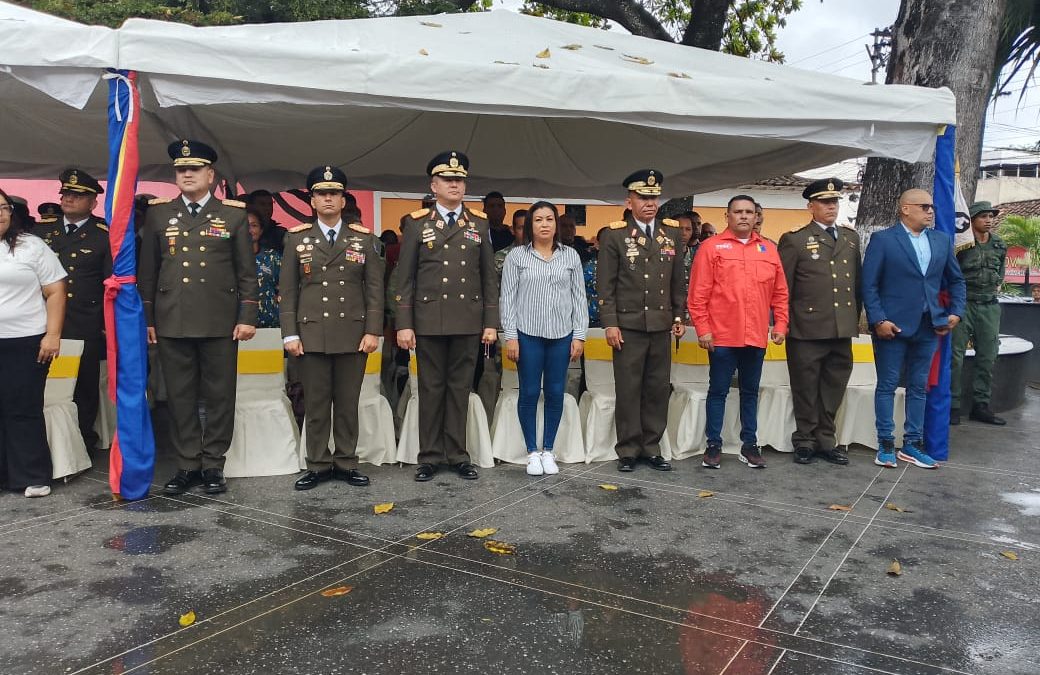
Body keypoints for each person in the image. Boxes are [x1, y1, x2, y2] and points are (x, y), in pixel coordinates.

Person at [139, 139, 259, 495]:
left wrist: (247, 315)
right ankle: (187, 462)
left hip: (219, 319)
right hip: (172, 318)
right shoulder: (159, 214)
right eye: (180, 169)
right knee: (179, 395)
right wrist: (147, 319)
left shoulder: (233, 215)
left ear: (211, 174)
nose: (187, 174)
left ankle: (213, 464)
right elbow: (148, 272)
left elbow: (246, 273)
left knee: (220, 394)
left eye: (194, 169)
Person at [395, 151, 498, 482]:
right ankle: (429, 455)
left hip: (468, 319)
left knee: (459, 388)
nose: (455, 184)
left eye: (460, 179)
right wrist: (404, 323)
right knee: (430, 388)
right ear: (434, 185)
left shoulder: (479, 223)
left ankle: (457, 454)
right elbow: (405, 277)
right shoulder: (416, 224)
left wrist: (490, 323)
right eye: (448, 179)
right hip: (428, 320)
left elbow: (487, 278)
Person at [281, 166, 384, 491]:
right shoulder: (297, 238)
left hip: (353, 334)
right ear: (312, 200)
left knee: (347, 402)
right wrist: (290, 333)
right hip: (310, 334)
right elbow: (289, 290)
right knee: (315, 404)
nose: (328, 198)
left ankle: (346, 461)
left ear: (342, 200)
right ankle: (317, 463)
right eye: (321, 193)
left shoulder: (363, 238)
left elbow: (374, 290)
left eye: (334, 193)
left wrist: (373, 330)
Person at [862, 189, 966, 469]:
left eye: (931, 207)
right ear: (905, 209)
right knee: (887, 385)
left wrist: (956, 311)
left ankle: (912, 444)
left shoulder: (941, 241)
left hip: (929, 325)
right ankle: (885, 444)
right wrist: (878, 320)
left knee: (919, 387)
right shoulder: (883, 240)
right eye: (924, 206)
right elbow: (869, 285)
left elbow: (956, 281)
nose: (931, 211)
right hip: (891, 327)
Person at [689, 195, 788, 470]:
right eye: (738, 212)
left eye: (749, 212)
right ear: (727, 216)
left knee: (750, 391)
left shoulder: (769, 249)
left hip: (755, 334)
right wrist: (703, 329)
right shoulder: (711, 248)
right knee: (718, 390)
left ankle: (749, 444)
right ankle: (713, 444)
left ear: (756, 216)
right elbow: (698, 294)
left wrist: (780, 324)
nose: (743, 216)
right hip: (721, 335)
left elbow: (780, 293)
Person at [596, 170, 686, 472]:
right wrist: (610, 323)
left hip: (660, 324)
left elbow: (677, 280)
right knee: (629, 388)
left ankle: (651, 446)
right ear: (629, 200)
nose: (649, 203)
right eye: (643, 198)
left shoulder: (670, 233)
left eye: (653, 197)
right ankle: (629, 448)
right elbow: (605, 286)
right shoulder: (614, 234)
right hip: (628, 325)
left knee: (657, 388)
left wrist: (678, 315)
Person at [500, 201, 588, 475]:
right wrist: (511, 337)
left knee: (554, 393)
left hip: (561, 336)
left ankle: (548, 449)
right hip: (528, 335)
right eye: (538, 220)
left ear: (556, 224)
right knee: (527, 393)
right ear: (530, 225)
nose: (545, 224)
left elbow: (579, 299)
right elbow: (508, 300)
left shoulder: (570, 256)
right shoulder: (517, 257)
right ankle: (531, 452)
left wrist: (580, 336)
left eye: (549, 219)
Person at [777, 178, 861, 465]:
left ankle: (827, 439)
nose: (831, 207)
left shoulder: (850, 238)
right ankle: (804, 439)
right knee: (805, 386)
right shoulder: (795, 239)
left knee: (834, 385)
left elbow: (856, 284)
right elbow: (783, 288)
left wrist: (854, 320)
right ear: (810, 206)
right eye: (825, 202)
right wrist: (782, 322)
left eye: (834, 202)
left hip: (841, 327)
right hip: (807, 328)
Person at [33, 169, 111, 453]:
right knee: (43, 382)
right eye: (66, 194)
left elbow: (110, 283)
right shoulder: (42, 231)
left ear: (93, 202)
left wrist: (105, 322)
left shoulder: (104, 235)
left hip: (85, 321)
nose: (69, 199)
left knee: (84, 385)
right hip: (43, 320)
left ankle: (81, 440)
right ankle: (44, 438)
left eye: (77, 196)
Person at [0, 187, 67, 497]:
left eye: (3, 207)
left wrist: (52, 334)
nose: (0, 213)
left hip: (26, 340)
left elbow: (55, 291)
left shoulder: (31, 246)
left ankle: (32, 475)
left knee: (23, 407)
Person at [950, 201, 1008, 426]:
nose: (989, 220)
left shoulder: (999, 245)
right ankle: (953, 404)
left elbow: (999, 272)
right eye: (983, 216)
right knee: (956, 356)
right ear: (971, 219)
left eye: (991, 216)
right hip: (964, 304)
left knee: (988, 355)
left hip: (989, 306)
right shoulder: (962, 245)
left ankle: (980, 405)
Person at [246, 206, 282, 329]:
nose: (249, 230)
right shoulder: (228, 257)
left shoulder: (272, 257)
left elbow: (287, 287)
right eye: (245, 225)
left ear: (261, 230)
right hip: (237, 328)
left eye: (254, 225)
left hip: (270, 325)